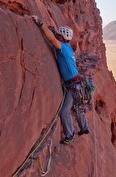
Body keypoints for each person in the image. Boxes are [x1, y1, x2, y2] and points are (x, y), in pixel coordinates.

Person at [32, 15, 89, 144]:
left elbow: (52, 40)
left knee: (65, 111)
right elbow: (54, 37)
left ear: (62, 38)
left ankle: (70, 135)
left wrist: (41, 24)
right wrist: (51, 29)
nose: (57, 36)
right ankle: (84, 127)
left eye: (59, 35)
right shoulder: (67, 47)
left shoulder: (63, 48)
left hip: (73, 85)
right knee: (78, 106)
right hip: (75, 83)